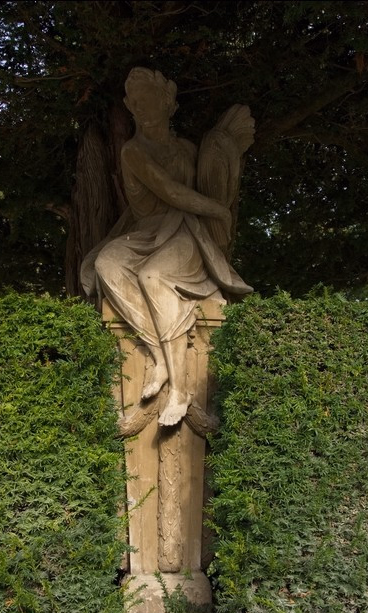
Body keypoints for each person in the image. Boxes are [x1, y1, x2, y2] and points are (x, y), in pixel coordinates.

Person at [82, 67, 253, 426]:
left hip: (185, 232)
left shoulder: (188, 150)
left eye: (150, 101)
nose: (143, 108)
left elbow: (210, 182)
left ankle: (180, 388)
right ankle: (159, 356)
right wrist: (219, 210)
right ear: (129, 106)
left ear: (168, 104)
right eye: (136, 103)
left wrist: (218, 200)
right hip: (145, 233)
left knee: (153, 276)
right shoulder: (132, 151)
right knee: (107, 264)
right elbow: (171, 191)